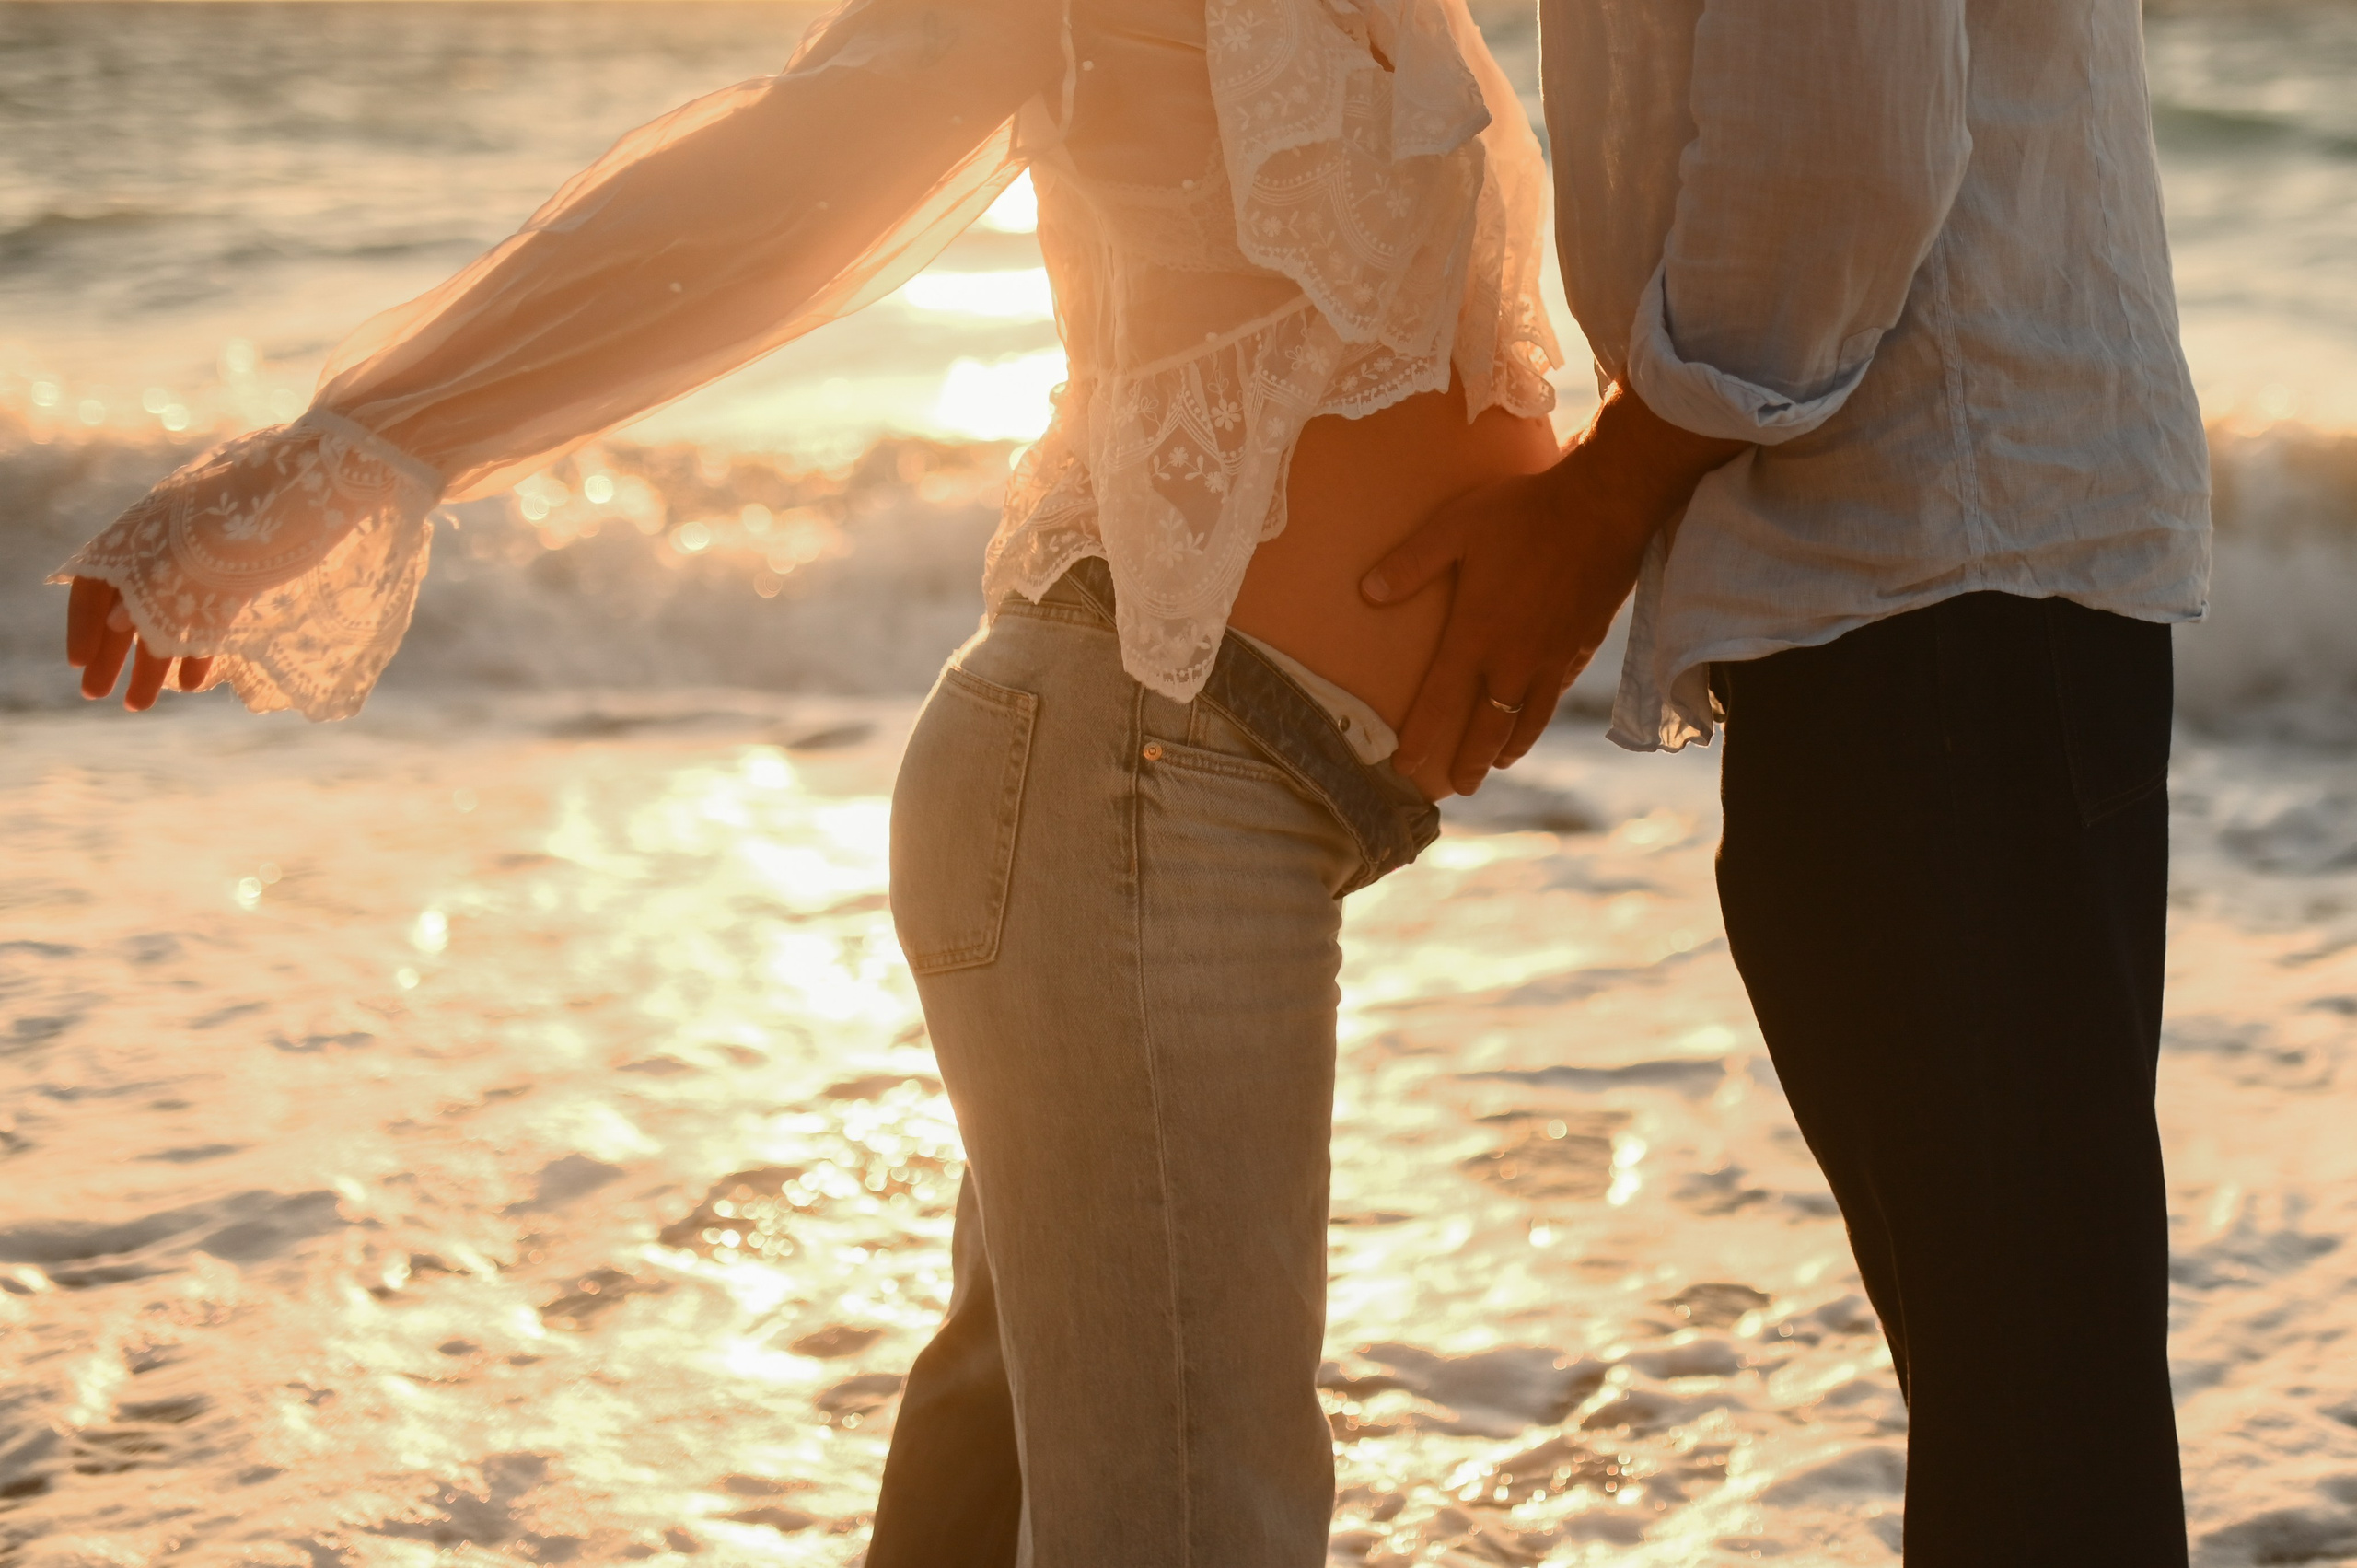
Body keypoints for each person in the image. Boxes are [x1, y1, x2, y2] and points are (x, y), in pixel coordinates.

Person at [56, 1, 1587, 1562]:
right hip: (1134, 792)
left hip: (1175, 800)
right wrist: (347, 452)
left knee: (991, 1504)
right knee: (1195, 1526)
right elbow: (779, 181)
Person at [1360, 0, 2210, 1561]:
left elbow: (1845, 151)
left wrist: (1605, 500)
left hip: (1937, 551)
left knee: (2030, 1413)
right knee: (2024, 1381)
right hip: (1948, 550)